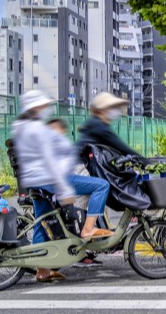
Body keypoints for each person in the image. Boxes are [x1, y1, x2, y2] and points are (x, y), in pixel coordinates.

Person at [12, 91, 112, 282]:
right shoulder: (36, 130)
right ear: (34, 108)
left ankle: (42, 271)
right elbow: (50, 162)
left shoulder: (22, 127)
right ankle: (88, 229)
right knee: (101, 186)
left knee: (42, 223)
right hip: (49, 179)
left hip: (33, 181)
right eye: (42, 106)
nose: (45, 110)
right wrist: (64, 189)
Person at [78, 93, 143, 159]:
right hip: (79, 166)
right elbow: (120, 147)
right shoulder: (98, 126)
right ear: (103, 109)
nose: (117, 111)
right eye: (113, 107)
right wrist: (145, 161)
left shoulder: (94, 122)